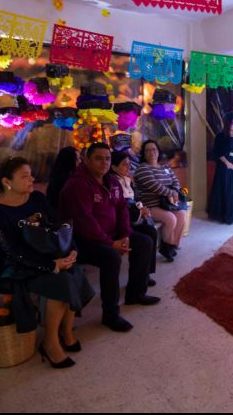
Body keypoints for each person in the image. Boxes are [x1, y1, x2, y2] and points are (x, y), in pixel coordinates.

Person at [0, 157, 94, 369]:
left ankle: (66, 330)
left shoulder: (37, 199)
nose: (32, 179)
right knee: (61, 282)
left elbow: (60, 226)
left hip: (45, 255)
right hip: (11, 268)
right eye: (25, 176)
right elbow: (11, 252)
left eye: (31, 174)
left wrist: (72, 251)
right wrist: (51, 265)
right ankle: (50, 342)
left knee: (74, 271)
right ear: (7, 182)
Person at [60, 143, 158, 333]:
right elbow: (85, 222)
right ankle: (110, 315)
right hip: (81, 241)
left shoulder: (111, 181)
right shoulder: (77, 185)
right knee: (110, 257)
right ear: (87, 160)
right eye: (98, 158)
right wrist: (111, 243)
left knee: (144, 242)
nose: (104, 162)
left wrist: (124, 235)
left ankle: (136, 294)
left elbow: (122, 208)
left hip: (110, 235)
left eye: (107, 158)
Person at [110, 151, 163, 282]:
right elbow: (120, 208)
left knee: (151, 231)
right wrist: (140, 212)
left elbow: (136, 198)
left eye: (129, 164)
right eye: (124, 164)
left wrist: (142, 208)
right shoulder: (112, 183)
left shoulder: (127, 179)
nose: (128, 167)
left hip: (133, 217)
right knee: (144, 239)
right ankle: (140, 278)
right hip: (122, 223)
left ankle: (146, 273)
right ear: (114, 167)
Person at [134, 140, 186, 260]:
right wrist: (171, 193)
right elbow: (154, 185)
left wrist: (174, 191)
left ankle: (172, 245)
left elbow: (175, 181)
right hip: (151, 206)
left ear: (158, 151)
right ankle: (166, 248)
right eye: (147, 150)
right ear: (144, 153)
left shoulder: (165, 167)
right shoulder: (143, 168)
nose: (151, 152)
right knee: (170, 218)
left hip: (167, 204)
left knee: (182, 214)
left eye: (154, 149)